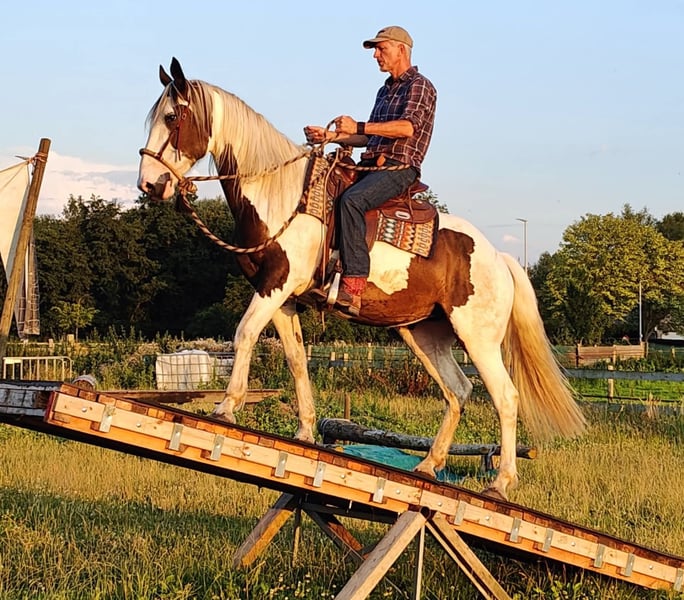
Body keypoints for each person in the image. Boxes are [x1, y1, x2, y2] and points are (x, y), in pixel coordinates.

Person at [304, 25, 437, 316]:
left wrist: (359, 125)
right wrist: (331, 137)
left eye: (381, 48)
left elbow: (406, 128)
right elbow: (368, 137)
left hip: (399, 168)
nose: (376, 55)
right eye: (375, 49)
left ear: (401, 50)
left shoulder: (420, 86)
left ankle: (353, 287)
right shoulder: (384, 90)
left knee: (352, 200)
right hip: (371, 166)